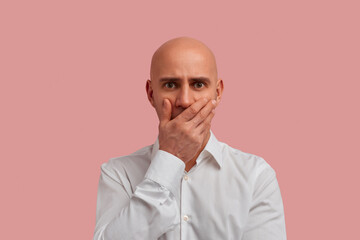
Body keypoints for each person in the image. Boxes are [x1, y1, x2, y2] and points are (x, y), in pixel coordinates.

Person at [93, 37, 287, 240]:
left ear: (218, 93)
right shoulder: (118, 174)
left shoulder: (256, 176)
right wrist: (170, 157)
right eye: (170, 85)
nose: (185, 101)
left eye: (198, 84)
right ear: (151, 94)